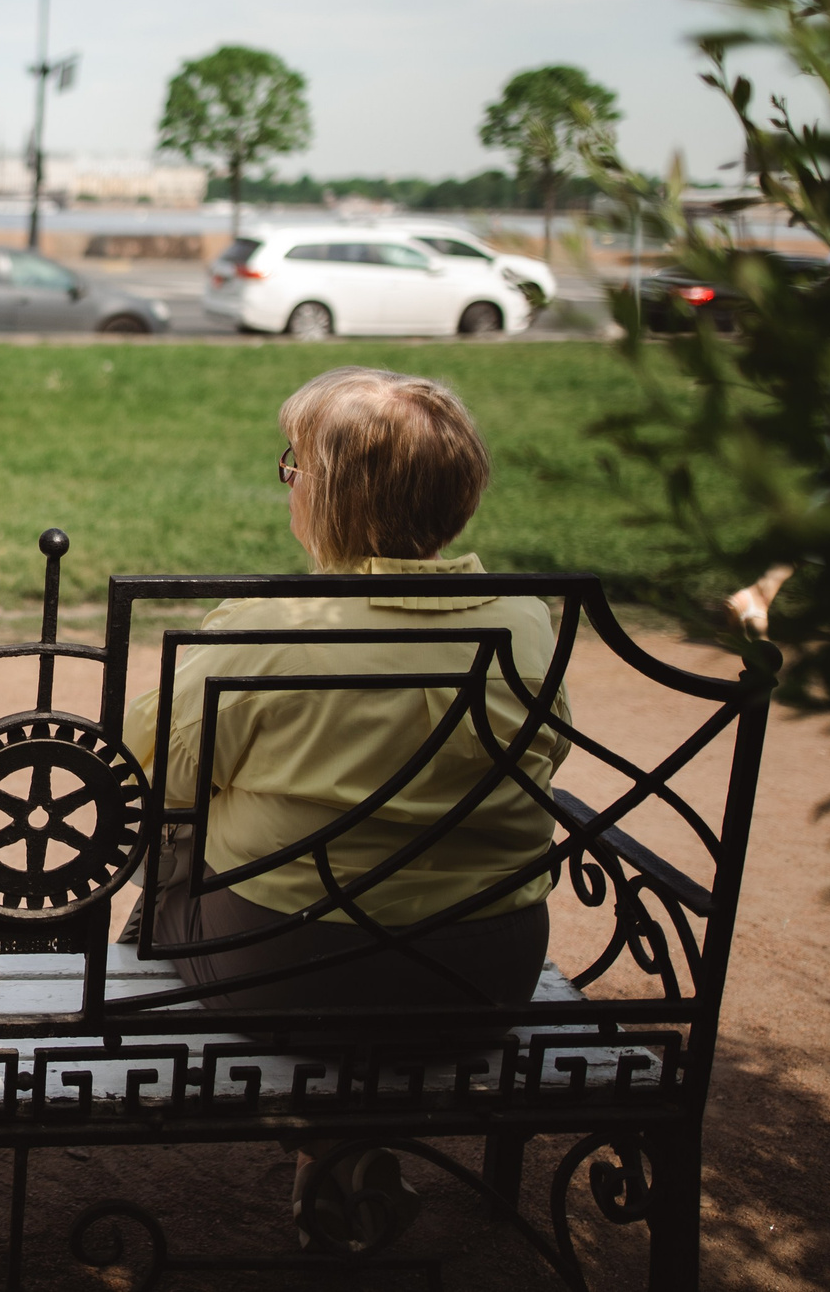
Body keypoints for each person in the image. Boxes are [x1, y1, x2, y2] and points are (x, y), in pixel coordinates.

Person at [119, 365, 574, 1248]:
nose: (287, 480)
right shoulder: (526, 620)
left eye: (293, 465)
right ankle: (342, 1141)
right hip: (485, 972)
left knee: (174, 838)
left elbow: (144, 776)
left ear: (326, 496)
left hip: (297, 974)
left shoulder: (275, 628)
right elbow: (544, 753)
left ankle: (325, 1130)